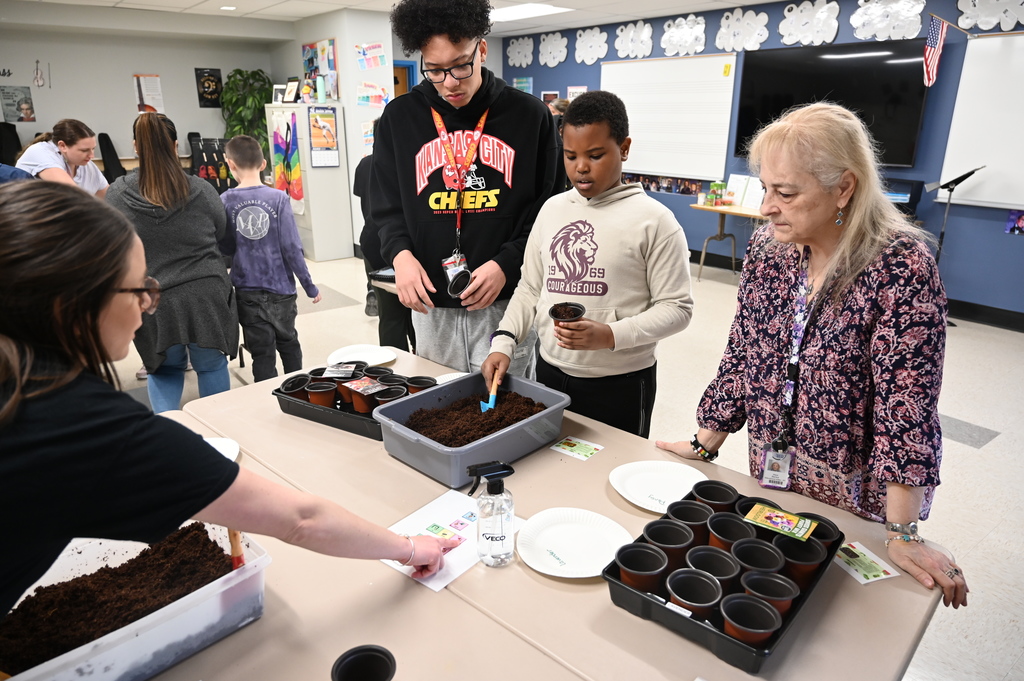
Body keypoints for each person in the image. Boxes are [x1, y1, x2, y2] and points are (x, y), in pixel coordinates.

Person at [0, 181, 456, 618]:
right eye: (138, 288)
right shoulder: (85, 428)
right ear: (71, 306)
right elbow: (301, 519)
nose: (147, 302)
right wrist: (413, 547)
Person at [655, 102, 968, 609]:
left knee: (845, 609)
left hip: (855, 486)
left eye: (786, 192)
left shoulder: (900, 266)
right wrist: (705, 442)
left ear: (843, 188)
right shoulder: (768, 249)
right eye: (765, 189)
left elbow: (905, 408)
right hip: (774, 469)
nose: (767, 207)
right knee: (771, 590)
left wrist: (904, 531)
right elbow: (746, 352)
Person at [481, 91, 693, 437]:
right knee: (554, 467)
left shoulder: (655, 221)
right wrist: (503, 343)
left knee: (610, 477)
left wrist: (611, 335)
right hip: (549, 371)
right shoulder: (551, 211)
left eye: (595, 155)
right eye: (570, 155)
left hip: (620, 383)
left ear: (624, 148)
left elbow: (677, 308)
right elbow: (531, 288)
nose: (580, 167)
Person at [370, 0, 559, 376]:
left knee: (503, 406)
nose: (450, 82)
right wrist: (401, 257)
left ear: (482, 49)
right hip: (430, 303)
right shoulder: (399, 118)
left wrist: (507, 263)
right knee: (440, 406)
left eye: (460, 64)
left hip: (504, 300)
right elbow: (385, 207)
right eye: (435, 71)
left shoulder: (530, 116)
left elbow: (548, 210)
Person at [106, 114, 238, 413]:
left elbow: (111, 246)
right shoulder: (202, 190)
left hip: (153, 298)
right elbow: (222, 233)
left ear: (136, 147)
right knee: (210, 366)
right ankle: (218, 432)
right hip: (206, 294)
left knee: (164, 369)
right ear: (176, 146)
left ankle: (169, 437)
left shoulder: (117, 195)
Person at [219, 135, 321, 382]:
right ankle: (298, 390)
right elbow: (291, 247)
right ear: (264, 164)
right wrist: (309, 286)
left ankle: (266, 400)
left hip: (247, 290)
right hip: (281, 289)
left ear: (230, 164)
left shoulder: (225, 200)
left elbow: (225, 247)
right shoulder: (279, 199)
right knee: (289, 343)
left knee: (262, 353)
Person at [356, 119, 416, 351]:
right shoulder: (405, 165)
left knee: (389, 313)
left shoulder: (364, 165)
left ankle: (395, 371)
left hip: (371, 241)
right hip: (399, 245)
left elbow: (366, 203)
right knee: (412, 309)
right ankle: (416, 364)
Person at [15, 119, 108, 197]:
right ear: (62, 146)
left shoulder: (86, 165)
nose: (92, 156)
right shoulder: (40, 152)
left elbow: (109, 197)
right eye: (84, 150)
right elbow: (72, 194)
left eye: (93, 149)